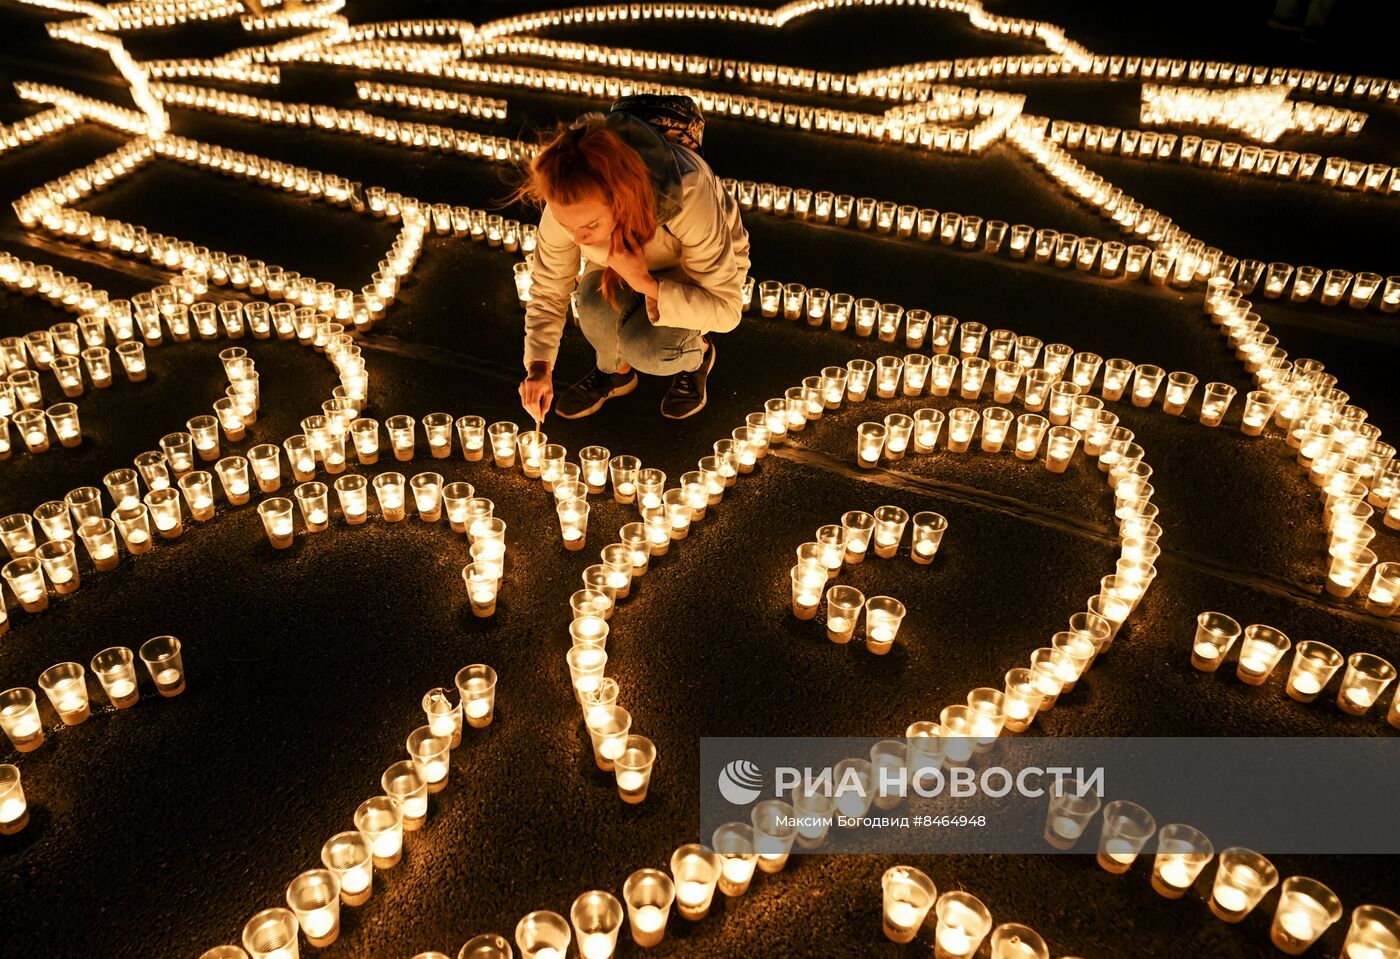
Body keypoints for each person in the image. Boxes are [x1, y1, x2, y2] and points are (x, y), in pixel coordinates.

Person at [515, 103, 750, 421]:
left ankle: (698, 355)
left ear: (620, 198)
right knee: (591, 304)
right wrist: (539, 365)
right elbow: (548, 286)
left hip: (690, 274)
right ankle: (617, 373)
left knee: (647, 348)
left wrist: (645, 283)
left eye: (590, 226)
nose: (579, 239)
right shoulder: (569, 196)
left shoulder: (687, 192)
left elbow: (727, 310)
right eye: (569, 227)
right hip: (621, 265)